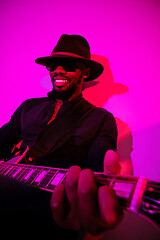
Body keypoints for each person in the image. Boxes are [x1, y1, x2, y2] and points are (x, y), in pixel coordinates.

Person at [0, 34, 122, 237]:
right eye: (53, 65)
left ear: (86, 72)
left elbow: (95, 175)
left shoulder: (101, 120)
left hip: (52, 205)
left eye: (68, 65)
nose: (58, 70)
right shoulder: (29, 107)